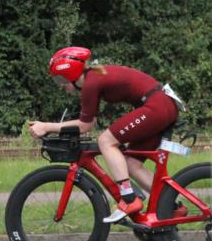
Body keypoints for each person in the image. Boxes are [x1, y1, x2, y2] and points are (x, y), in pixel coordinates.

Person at [28, 47, 181, 223]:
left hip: (157, 107)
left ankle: (129, 199)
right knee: (131, 163)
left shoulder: (91, 83)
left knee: (106, 141)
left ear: (71, 74)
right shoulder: (93, 76)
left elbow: (85, 126)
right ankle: (173, 207)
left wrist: (46, 126)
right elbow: (89, 122)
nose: (61, 86)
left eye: (60, 80)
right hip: (162, 105)